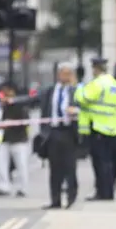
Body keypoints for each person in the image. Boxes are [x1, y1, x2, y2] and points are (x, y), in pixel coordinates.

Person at [75, 57, 116, 201]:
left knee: (101, 164)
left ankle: (104, 193)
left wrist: (80, 86)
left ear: (95, 68)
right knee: (112, 164)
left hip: (99, 129)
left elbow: (81, 98)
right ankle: (108, 191)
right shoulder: (115, 84)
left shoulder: (98, 83)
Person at [40, 63, 80, 209]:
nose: (66, 76)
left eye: (69, 73)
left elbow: (86, 107)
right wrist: (12, 101)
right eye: (63, 73)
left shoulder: (76, 91)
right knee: (54, 169)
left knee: (70, 167)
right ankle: (55, 200)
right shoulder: (50, 91)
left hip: (69, 132)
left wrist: (76, 110)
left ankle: (71, 197)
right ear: (58, 74)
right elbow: (33, 99)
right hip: (53, 133)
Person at [0, 82, 30, 198]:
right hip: (5, 139)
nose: (3, 94)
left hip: (19, 139)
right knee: (0, 162)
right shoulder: (4, 105)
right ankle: (3, 186)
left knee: (21, 165)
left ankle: (23, 188)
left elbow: (24, 122)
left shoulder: (20, 104)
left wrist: (10, 124)